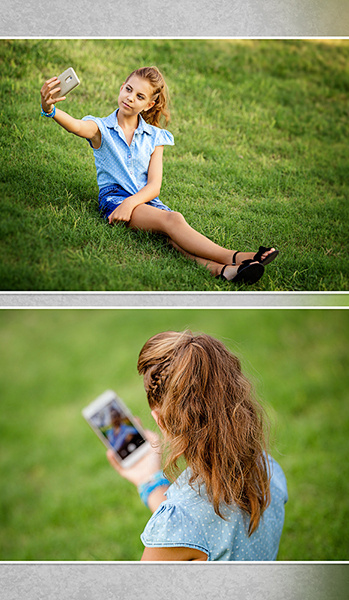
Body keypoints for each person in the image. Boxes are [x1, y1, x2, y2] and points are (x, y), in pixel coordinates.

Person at [39, 66, 279, 284]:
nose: (130, 98)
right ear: (121, 88)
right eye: (129, 90)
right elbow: (76, 126)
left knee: (172, 237)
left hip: (145, 200)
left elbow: (154, 186)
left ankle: (225, 271)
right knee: (173, 220)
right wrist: (50, 109)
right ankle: (237, 257)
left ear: (149, 105)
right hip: (115, 199)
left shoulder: (155, 137)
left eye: (140, 96)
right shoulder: (100, 128)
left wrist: (132, 204)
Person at [107, 331, 288, 560]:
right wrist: (149, 481)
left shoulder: (177, 527)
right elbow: (195, 522)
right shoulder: (268, 471)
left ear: (160, 420)